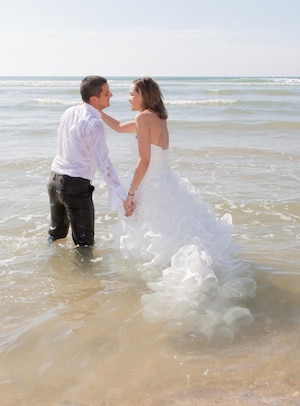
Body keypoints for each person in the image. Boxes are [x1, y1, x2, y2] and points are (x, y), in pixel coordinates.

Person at [101, 77, 256, 339]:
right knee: (173, 232)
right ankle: (176, 272)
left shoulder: (142, 119)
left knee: (157, 234)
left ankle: (164, 280)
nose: (128, 98)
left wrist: (130, 193)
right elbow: (116, 127)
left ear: (143, 96)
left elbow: (144, 161)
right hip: (167, 182)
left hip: (152, 184)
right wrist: (97, 111)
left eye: (131, 94)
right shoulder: (158, 118)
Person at [47, 75, 132, 249]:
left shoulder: (69, 112)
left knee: (55, 236)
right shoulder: (94, 123)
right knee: (84, 245)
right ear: (94, 99)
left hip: (54, 181)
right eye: (107, 93)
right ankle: (85, 276)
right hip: (74, 187)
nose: (111, 95)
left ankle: (48, 270)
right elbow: (103, 163)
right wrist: (122, 194)